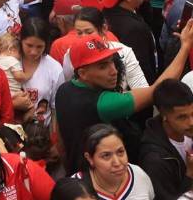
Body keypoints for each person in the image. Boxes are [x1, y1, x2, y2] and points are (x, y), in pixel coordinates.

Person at [55, 22, 193, 174]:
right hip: (104, 178)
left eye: (112, 62)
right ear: (82, 73)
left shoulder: (63, 90)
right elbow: (158, 89)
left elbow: (60, 141)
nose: (113, 71)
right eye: (102, 66)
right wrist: (185, 46)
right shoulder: (103, 104)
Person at [138, 80, 193, 200]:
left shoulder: (188, 131)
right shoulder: (155, 160)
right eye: (182, 117)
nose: (191, 122)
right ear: (164, 116)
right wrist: (190, 174)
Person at [73, 124, 155, 200]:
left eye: (120, 152)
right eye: (106, 155)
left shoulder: (139, 175)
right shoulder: (74, 188)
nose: (117, 163)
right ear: (89, 158)